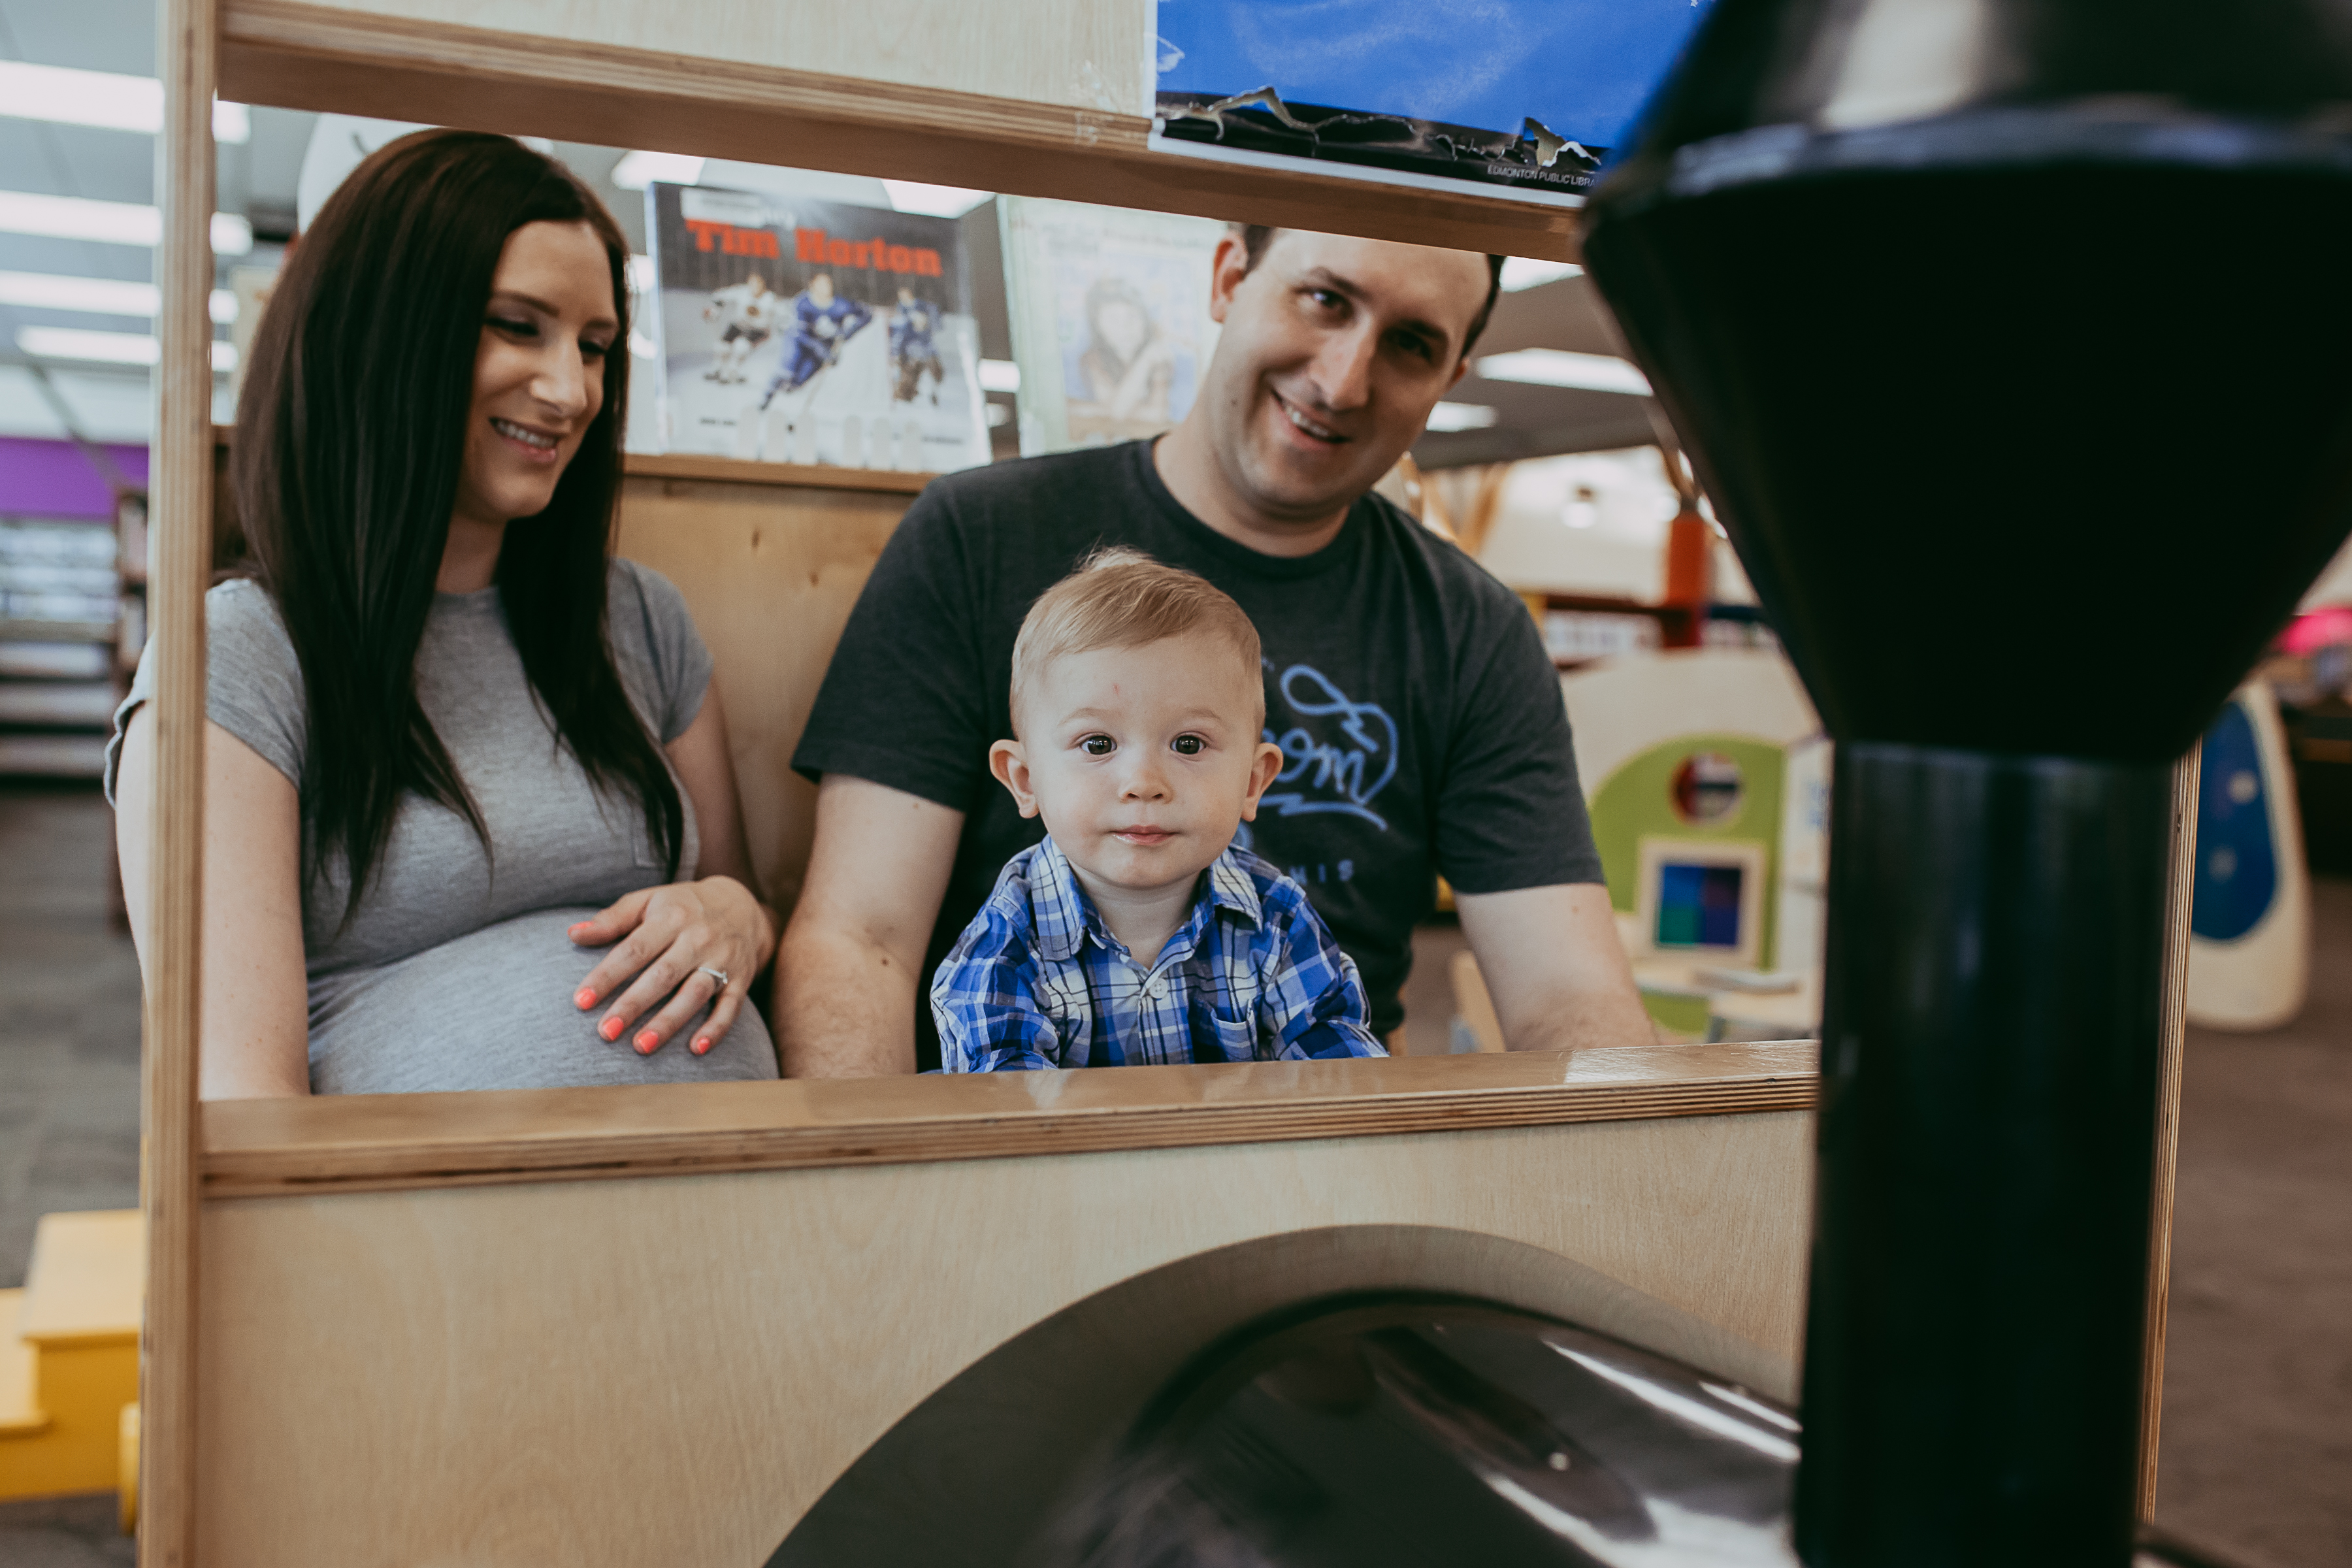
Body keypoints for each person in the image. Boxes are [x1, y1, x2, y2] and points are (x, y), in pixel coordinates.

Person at [781, 223, 1656, 1076]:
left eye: (1412, 344)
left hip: (1320, 1137)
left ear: (1450, 375)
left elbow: (1568, 1000)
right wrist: (877, 1172)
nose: (1343, 381)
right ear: (1229, 278)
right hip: (1018, 1145)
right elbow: (860, 941)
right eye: (1324, 299)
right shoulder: (977, 536)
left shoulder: (1474, 628)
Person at [110, 129, 781, 1098]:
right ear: (384, 330)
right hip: (419, 1201)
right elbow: (240, 1107)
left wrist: (736, 916)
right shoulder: (241, 655)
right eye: (518, 326)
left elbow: (743, 899)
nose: (571, 390)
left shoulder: (640, 620)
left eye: (595, 347)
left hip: (739, 1182)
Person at [932, 549, 1385, 1071]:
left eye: (1188, 745)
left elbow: (1339, 1077)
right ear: (1025, 780)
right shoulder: (1006, 940)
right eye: (1098, 744)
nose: (1144, 784)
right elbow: (1006, 1108)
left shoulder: (1277, 919)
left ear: (1253, 782)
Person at [760, 272, 874, 410]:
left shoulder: (841, 305)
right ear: (812, 286)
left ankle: (786, 399)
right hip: (799, 342)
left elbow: (866, 314)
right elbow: (800, 332)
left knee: (798, 382)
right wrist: (820, 348)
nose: (826, 287)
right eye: (821, 284)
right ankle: (765, 398)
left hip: (822, 348)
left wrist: (848, 332)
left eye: (828, 283)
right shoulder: (803, 303)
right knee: (787, 370)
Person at [702, 271, 777, 385]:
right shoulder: (741, 292)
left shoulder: (770, 298)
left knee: (741, 347)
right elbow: (720, 296)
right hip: (738, 325)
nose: (755, 287)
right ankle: (717, 369)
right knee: (721, 346)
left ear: (763, 284)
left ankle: (732, 372)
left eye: (758, 283)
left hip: (758, 330)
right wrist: (714, 309)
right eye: (752, 283)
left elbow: (783, 313)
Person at [889, 286, 944, 406]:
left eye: (904, 294)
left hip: (924, 348)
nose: (902, 297)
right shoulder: (901, 310)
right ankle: (907, 393)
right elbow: (899, 331)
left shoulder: (924, 307)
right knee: (910, 371)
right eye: (901, 295)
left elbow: (934, 326)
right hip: (909, 349)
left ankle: (932, 394)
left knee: (932, 370)